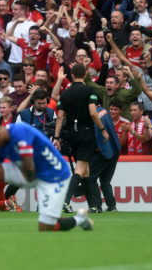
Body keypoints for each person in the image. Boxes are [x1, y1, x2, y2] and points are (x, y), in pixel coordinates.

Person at [0, 120, 93, 232]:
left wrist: (11, 181)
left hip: (54, 177)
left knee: (46, 226)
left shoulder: (19, 131)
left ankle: (79, 219)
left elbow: (29, 169)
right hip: (30, 171)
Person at [54, 64, 109, 213]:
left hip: (72, 133)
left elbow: (60, 117)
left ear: (71, 75)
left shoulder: (65, 93)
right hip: (86, 132)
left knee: (86, 171)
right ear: (85, 74)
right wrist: (103, 129)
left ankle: (94, 206)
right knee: (80, 169)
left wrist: (56, 137)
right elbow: (92, 112)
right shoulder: (89, 91)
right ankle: (65, 202)